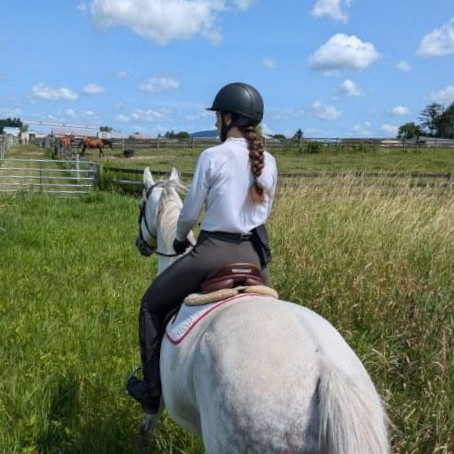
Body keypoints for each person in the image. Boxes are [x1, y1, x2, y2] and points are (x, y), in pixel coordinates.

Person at [126, 82, 278, 414]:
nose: (214, 124)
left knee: (150, 306)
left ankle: (152, 393)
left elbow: (190, 213)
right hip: (255, 256)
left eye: (217, 117)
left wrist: (180, 239)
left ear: (228, 118)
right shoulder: (271, 162)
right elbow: (264, 212)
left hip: (212, 253)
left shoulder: (212, 156)